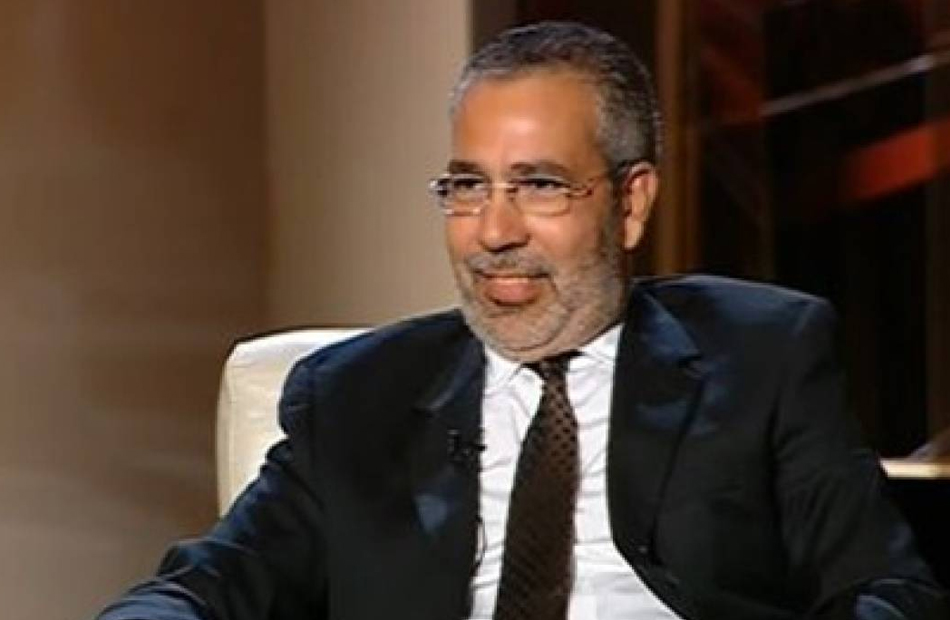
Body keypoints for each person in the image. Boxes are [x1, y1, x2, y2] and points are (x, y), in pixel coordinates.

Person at [97, 21, 947, 620]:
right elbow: (209, 586)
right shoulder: (357, 397)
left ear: (630, 203)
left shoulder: (762, 355)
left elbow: (889, 591)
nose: (493, 232)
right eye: (467, 187)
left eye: (539, 185)